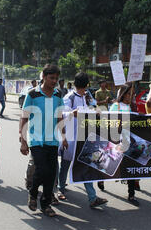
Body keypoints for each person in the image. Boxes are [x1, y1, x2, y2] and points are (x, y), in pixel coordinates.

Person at [19, 64, 68, 217]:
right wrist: (23, 139)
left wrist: (64, 136)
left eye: (56, 78)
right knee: (42, 169)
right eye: (51, 78)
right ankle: (33, 193)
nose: (54, 81)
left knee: (52, 173)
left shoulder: (58, 95)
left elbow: (60, 117)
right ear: (44, 77)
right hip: (36, 139)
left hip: (52, 140)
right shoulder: (33, 94)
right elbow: (24, 117)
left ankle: (45, 204)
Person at [58, 72, 108, 208]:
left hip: (84, 137)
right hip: (71, 137)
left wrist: (98, 111)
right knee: (65, 165)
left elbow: (95, 107)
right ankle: (60, 188)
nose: (83, 89)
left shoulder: (88, 97)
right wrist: (71, 113)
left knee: (86, 165)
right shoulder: (69, 97)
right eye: (83, 87)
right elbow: (61, 114)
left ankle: (92, 197)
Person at [109, 82, 141, 206]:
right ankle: (101, 181)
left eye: (131, 94)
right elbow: (110, 123)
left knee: (131, 167)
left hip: (130, 142)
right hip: (118, 142)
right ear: (122, 94)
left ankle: (131, 194)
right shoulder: (116, 106)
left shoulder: (131, 107)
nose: (130, 96)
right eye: (128, 94)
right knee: (112, 165)